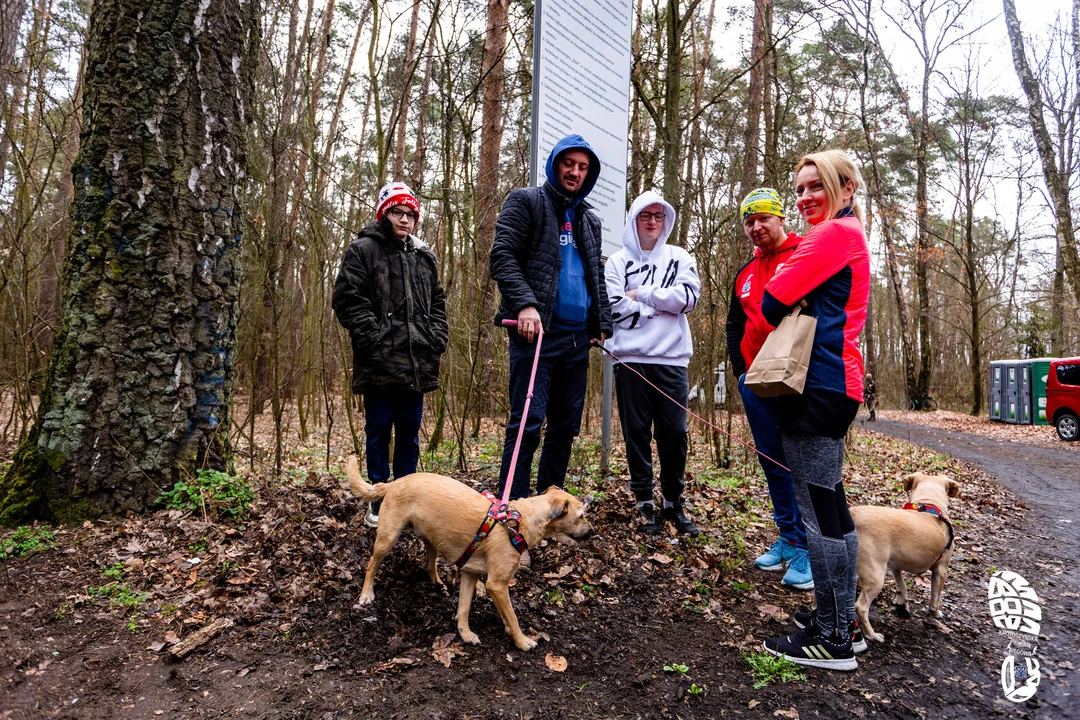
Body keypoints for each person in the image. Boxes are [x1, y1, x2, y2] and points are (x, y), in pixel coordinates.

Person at [758, 150, 870, 671]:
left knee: (816, 511)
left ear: (845, 188)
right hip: (836, 382)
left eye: (815, 187)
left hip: (815, 384)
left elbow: (774, 299)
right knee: (831, 506)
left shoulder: (831, 236)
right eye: (799, 189)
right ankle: (841, 620)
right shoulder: (848, 235)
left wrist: (791, 277)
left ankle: (832, 637)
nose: (804, 198)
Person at [490, 134, 612, 502]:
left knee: (565, 426)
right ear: (555, 164)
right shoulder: (527, 202)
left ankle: (548, 504)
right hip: (537, 336)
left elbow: (596, 275)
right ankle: (512, 505)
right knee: (528, 422)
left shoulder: (589, 220)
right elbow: (502, 257)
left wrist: (602, 323)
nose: (574, 172)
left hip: (577, 341)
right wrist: (525, 304)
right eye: (568, 164)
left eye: (582, 167)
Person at [332, 182, 448, 528]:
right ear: (385, 213)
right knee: (379, 432)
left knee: (410, 436)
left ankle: (408, 501)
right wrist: (376, 338)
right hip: (379, 363)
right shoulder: (363, 250)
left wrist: (436, 337)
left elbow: (438, 304)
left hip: (417, 364)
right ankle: (379, 503)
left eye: (411, 214)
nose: (406, 219)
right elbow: (347, 300)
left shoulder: (424, 256)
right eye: (398, 212)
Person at [726, 188, 813, 590]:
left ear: (780, 218)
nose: (756, 227)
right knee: (772, 463)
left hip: (798, 382)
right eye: (749, 221)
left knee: (802, 463)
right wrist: (741, 372)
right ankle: (788, 538)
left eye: (763, 218)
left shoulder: (804, 254)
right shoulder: (744, 273)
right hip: (755, 384)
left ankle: (810, 549)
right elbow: (733, 325)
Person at [605, 190, 701, 537]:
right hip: (630, 359)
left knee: (674, 433)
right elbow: (615, 307)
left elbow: (688, 298)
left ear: (666, 221)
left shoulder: (679, 257)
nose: (652, 222)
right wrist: (662, 304)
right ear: (634, 220)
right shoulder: (616, 263)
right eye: (645, 215)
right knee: (636, 433)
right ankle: (644, 500)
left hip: (672, 360)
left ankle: (673, 501)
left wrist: (641, 294)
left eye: (658, 216)